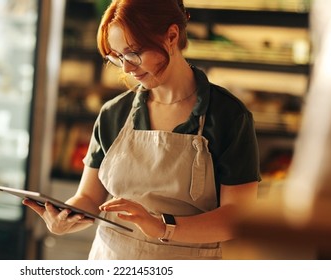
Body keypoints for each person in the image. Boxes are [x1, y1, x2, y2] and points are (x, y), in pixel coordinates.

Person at [24, 0, 261, 260]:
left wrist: (161, 226)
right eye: (117, 56)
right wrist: (64, 217)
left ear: (171, 36)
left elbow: (236, 218)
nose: (126, 68)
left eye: (133, 53)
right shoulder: (114, 114)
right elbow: (89, 198)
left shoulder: (228, 116)